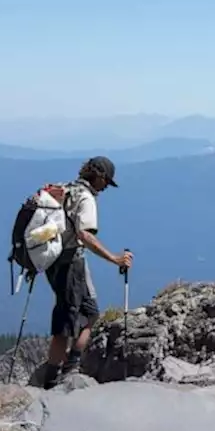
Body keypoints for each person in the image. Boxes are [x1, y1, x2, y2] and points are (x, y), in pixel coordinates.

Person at [40, 155, 133, 389]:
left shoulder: (65, 189)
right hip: (71, 263)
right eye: (106, 182)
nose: (105, 188)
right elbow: (85, 235)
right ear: (99, 177)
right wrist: (114, 258)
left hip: (54, 260)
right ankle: (57, 378)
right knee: (66, 322)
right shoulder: (86, 198)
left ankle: (68, 368)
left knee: (89, 314)